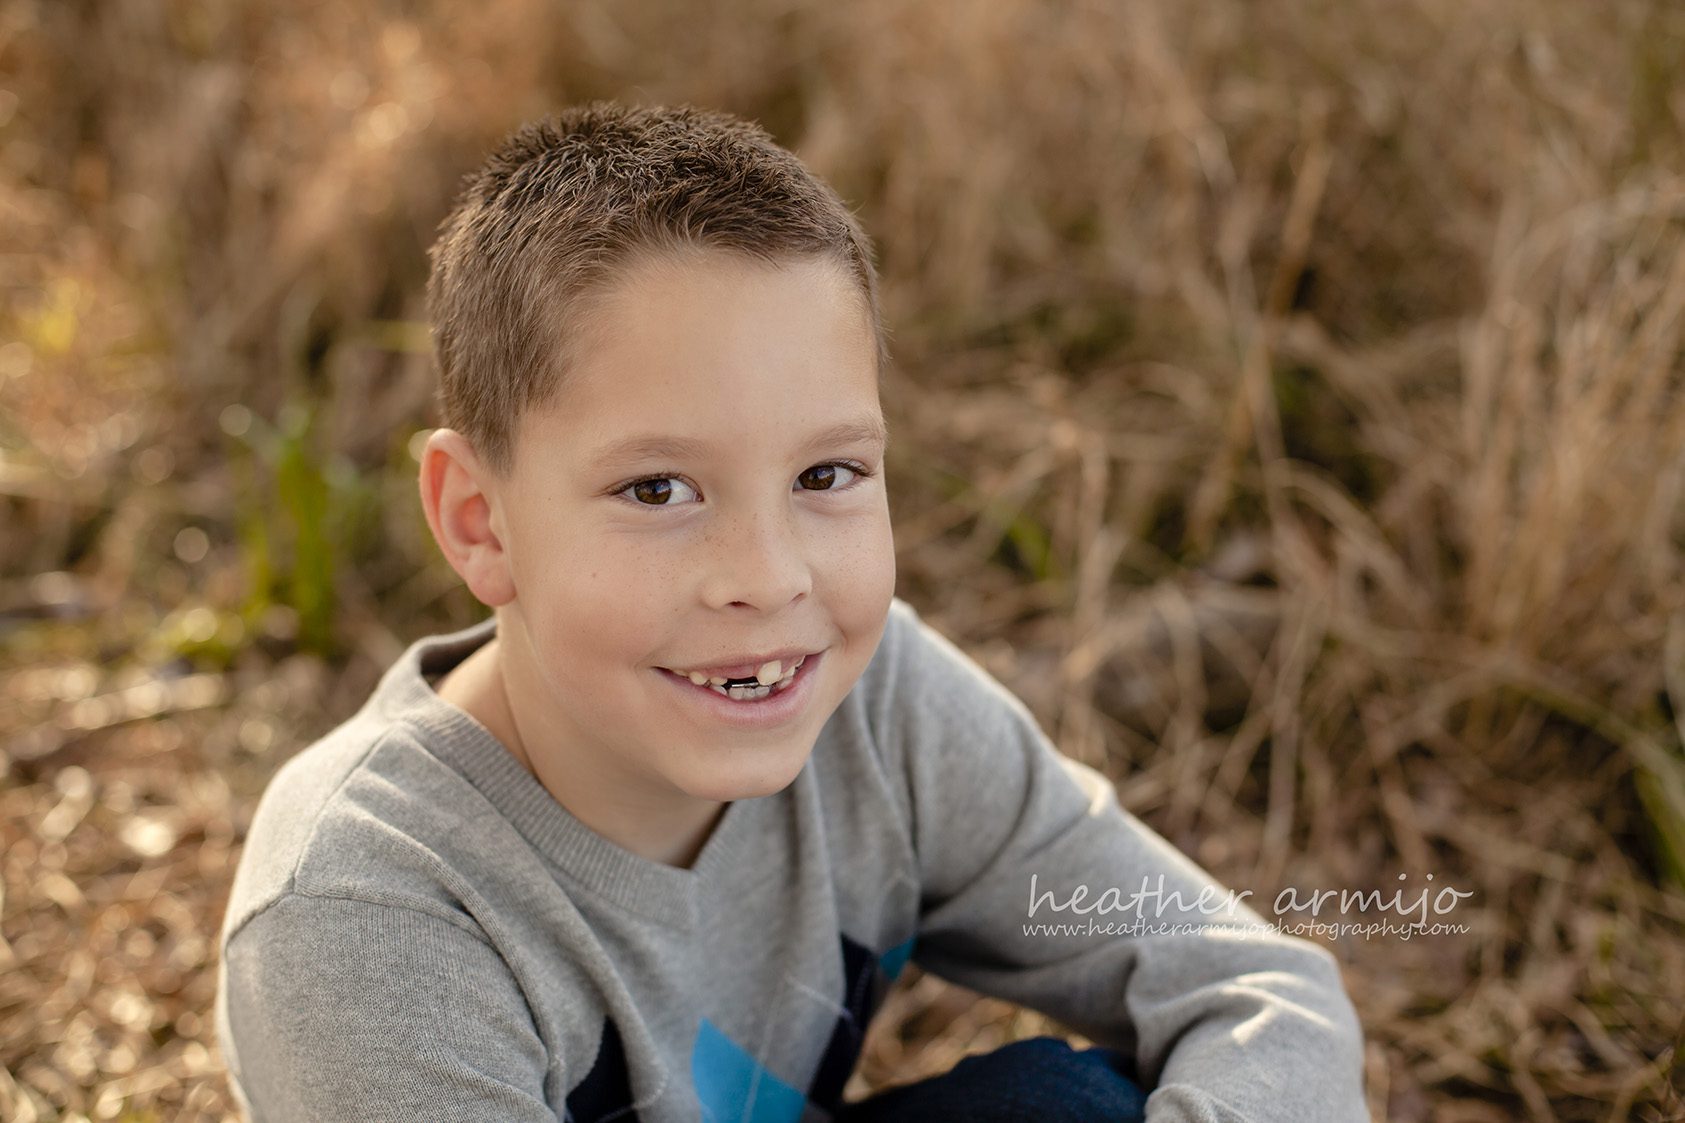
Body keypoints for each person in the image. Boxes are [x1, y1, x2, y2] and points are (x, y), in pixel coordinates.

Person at [214, 102, 1368, 1122]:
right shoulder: (366, 913)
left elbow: (1254, 985)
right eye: (656, 489)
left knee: (1065, 1107)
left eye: (825, 477)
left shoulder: (878, 710)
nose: (767, 578)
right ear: (478, 520)